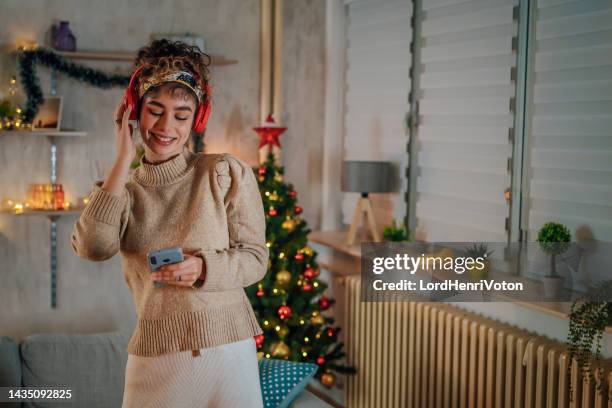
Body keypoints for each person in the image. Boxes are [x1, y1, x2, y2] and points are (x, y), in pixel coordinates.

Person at [70, 39, 267, 407]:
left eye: (180, 115)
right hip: (156, 357)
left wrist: (204, 268)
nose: (165, 126)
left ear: (197, 120)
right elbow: (93, 247)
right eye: (154, 111)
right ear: (133, 113)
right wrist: (122, 159)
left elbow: (256, 258)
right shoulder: (122, 195)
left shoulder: (223, 172)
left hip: (228, 353)